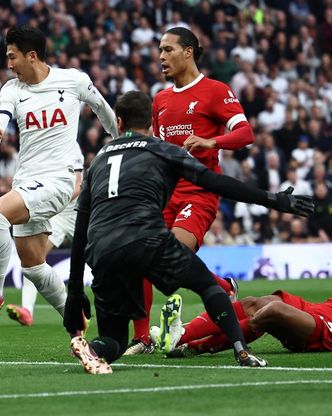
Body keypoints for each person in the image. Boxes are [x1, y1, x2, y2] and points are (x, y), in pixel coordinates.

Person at [63, 91, 313, 374]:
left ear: (118, 122)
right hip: (148, 238)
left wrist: (74, 290)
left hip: (102, 248)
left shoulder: (97, 160)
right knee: (207, 284)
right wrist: (273, 199)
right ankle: (241, 350)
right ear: (152, 122)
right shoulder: (162, 149)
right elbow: (216, 182)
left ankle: (93, 349)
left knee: (115, 340)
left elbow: (81, 226)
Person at [0, 25, 118, 324]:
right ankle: (77, 327)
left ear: (31, 56)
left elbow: (103, 109)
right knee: (33, 266)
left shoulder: (73, 80)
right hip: (27, 180)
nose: (8, 64)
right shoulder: (12, 89)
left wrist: (121, 139)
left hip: (60, 179)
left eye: (12, 57)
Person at [126, 26, 256, 355]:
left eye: (168, 49)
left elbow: (245, 133)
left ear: (189, 51)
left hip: (199, 191)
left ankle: (217, 291)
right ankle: (143, 337)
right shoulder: (161, 99)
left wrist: (213, 141)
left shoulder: (214, 90)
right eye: (159, 50)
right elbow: (160, 147)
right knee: (141, 255)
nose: (161, 57)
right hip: (165, 193)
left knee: (170, 254)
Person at [6, 143, 84, 326]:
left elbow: (78, 186)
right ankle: (27, 310)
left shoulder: (70, 145)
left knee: (99, 258)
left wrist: (51, 199)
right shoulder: (38, 148)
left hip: (75, 212)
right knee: (34, 259)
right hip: (54, 212)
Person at [159, 290, 332, 357]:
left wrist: (252, 323)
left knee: (272, 311)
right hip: (317, 308)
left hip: (324, 329)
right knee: (254, 302)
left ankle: (195, 347)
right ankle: (179, 335)